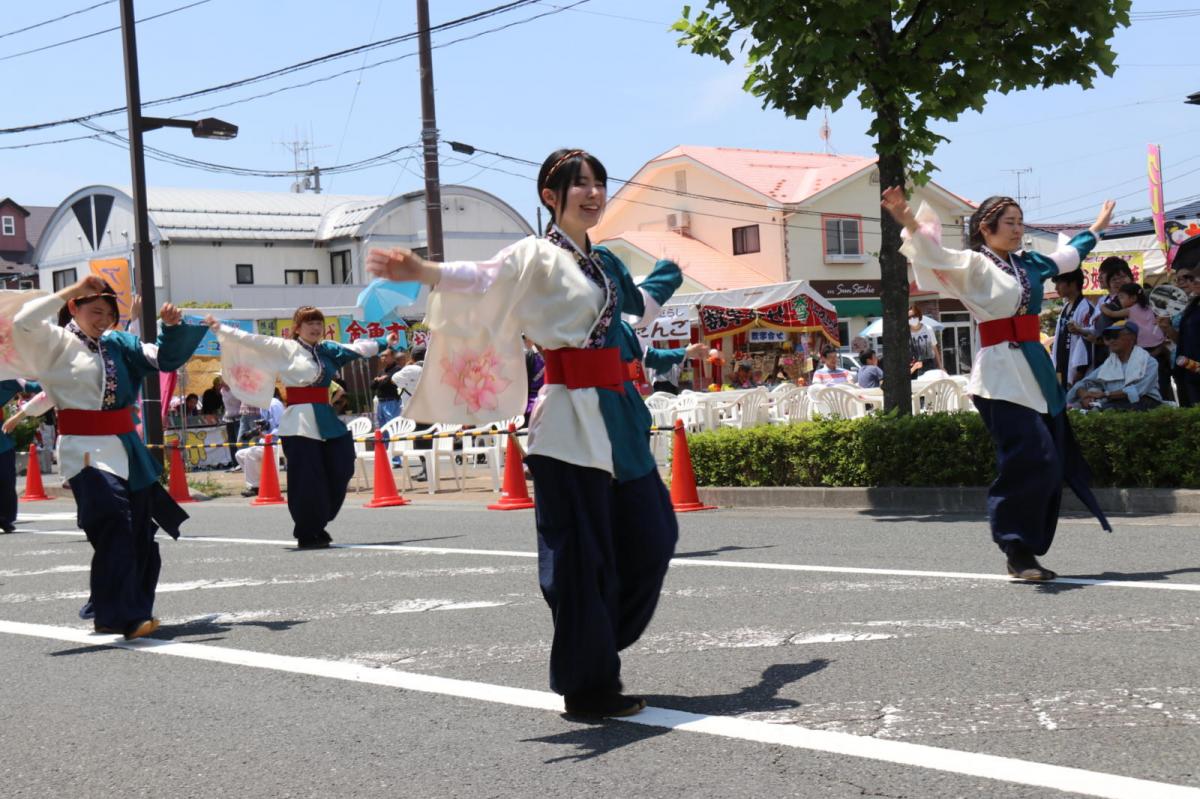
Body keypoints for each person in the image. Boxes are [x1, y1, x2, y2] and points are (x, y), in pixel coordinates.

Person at [365, 147, 683, 719]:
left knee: (654, 535)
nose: (592, 193)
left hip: (620, 418)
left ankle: (596, 640)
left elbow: (640, 305)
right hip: (566, 422)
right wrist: (424, 272)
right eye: (579, 184)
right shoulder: (534, 254)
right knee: (581, 557)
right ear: (549, 197)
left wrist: (668, 272)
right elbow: (482, 277)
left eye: (598, 183)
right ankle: (589, 687)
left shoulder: (604, 262)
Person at [882, 186, 1115, 581]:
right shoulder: (974, 263)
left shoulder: (1029, 264)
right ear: (986, 228)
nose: (1018, 229)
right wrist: (908, 220)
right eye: (1010, 222)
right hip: (999, 377)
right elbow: (935, 255)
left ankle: (1024, 547)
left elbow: (1068, 256)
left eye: (1021, 222)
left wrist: (1097, 227)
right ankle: (1016, 547)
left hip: (1035, 372)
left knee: (1050, 461)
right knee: (1032, 457)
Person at [11, 276, 207, 639]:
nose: (103, 320)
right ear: (74, 308)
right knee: (113, 518)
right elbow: (23, 319)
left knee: (139, 530)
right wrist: (69, 290)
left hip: (123, 447)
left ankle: (115, 609)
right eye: (95, 311)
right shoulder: (55, 341)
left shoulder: (118, 343)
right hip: (81, 447)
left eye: (109, 314)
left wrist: (171, 327)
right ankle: (123, 614)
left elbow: (161, 358)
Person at [206, 307, 396, 549]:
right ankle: (308, 531)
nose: (316, 328)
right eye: (310, 324)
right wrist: (221, 329)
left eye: (319, 323)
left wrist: (383, 342)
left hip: (325, 419)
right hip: (298, 422)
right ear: (297, 328)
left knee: (343, 464)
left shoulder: (328, 350)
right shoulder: (287, 349)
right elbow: (254, 340)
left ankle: (318, 520)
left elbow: (357, 348)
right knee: (307, 480)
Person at [1099, 282, 1173, 402]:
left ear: (1133, 298)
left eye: (1122, 297)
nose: (1119, 300)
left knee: (1146, 379)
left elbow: (1111, 313)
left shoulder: (1130, 310)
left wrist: (1102, 306)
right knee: (1161, 385)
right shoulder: (1150, 308)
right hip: (1158, 343)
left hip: (1142, 346)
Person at [1066, 320, 1161, 411]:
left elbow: (1137, 391)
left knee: (1104, 410)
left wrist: (1106, 394)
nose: (1111, 340)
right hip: (1116, 404)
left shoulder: (1149, 362)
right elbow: (1083, 383)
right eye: (1107, 337)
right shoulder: (1109, 364)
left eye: (1115, 336)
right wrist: (1085, 395)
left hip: (1145, 402)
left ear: (1132, 338)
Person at [0, 379, 41, 533]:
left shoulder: (5, 376)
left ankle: (5, 517)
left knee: (5, 479)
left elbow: (35, 386)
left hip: (1, 443)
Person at [1159, 264, 1200, 407]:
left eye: (1187, 278)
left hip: (1195, 366)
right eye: (1178, 279)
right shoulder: (1188, 306)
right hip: (1184, 365)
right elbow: (1181, 340)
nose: (1183, 282)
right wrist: (1167, 327)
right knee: (1187, 409)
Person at [1049, 269, 1094, 390]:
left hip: (1077, 374)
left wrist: (1079, 373)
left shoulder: (1086, 309)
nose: (1056, 288)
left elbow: (1087, 343)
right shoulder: (1066, 307)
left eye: (1059, 283)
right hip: (1061, 368)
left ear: (1072, 283)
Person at [235, 389, 285, 497]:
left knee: (251, 453)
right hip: (266, 442)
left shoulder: (274, 404)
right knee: (239, 455)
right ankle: (261, 482)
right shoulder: (263, 405)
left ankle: (255, 487)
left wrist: (264, 434)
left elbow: (282, 427)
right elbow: (266, 425)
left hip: (277, 442)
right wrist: (254, 432)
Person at [908, 305, 943, 376]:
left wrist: (940, 366)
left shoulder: (928, 329)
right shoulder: (907, 333)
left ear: (919, 316)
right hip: (915, 366)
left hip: (930, 364)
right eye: (909, 317)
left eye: (914, 316)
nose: (912, 319)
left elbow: (935, 348)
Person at [372, 347, 403, 427]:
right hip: (380, 403)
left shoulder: (397, 369)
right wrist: (379, 380)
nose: (383, 358)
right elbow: (372, 386)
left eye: (386, 355)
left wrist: (380, 380)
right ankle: (386, 440)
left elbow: (387, 383)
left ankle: (393, 440)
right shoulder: (382, 371)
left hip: (391, 402)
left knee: (392, 426)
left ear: (392, 357)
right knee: (383, 427)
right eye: (382, 356)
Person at [219, 374, 243, 462]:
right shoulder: (222, 391)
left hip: (238, 418)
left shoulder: (236, 389)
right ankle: (235, 463)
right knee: (231, 442)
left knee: (238, 440)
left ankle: (241, 462)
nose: (221, 381)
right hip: (228, 418)